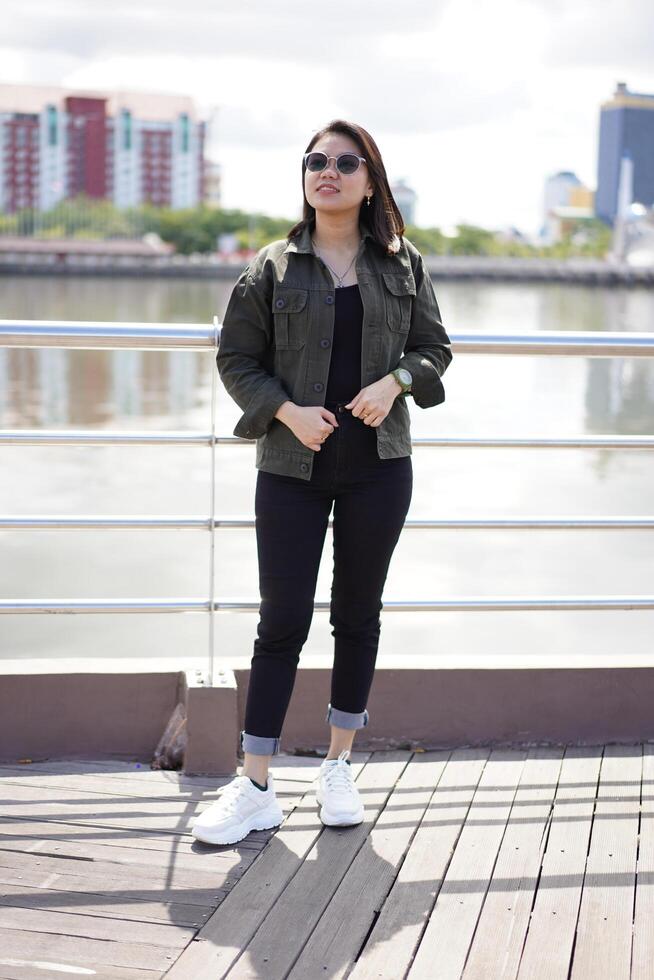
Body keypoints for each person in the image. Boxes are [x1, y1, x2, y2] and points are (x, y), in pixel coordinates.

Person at [191, 119, 453, 847]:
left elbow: (435, 348)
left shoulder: (404, 264)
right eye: (315, 161)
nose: (326, 171)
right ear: (303, 177)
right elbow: (235, 359)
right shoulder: (271, 267)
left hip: (379, 469)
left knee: (357, 617)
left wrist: (395, 382)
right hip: (289, 469)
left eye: (344, 161)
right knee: (281, 623)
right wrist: (285, 411)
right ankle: (254, 783)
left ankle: (338, 766)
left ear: (370, 179)